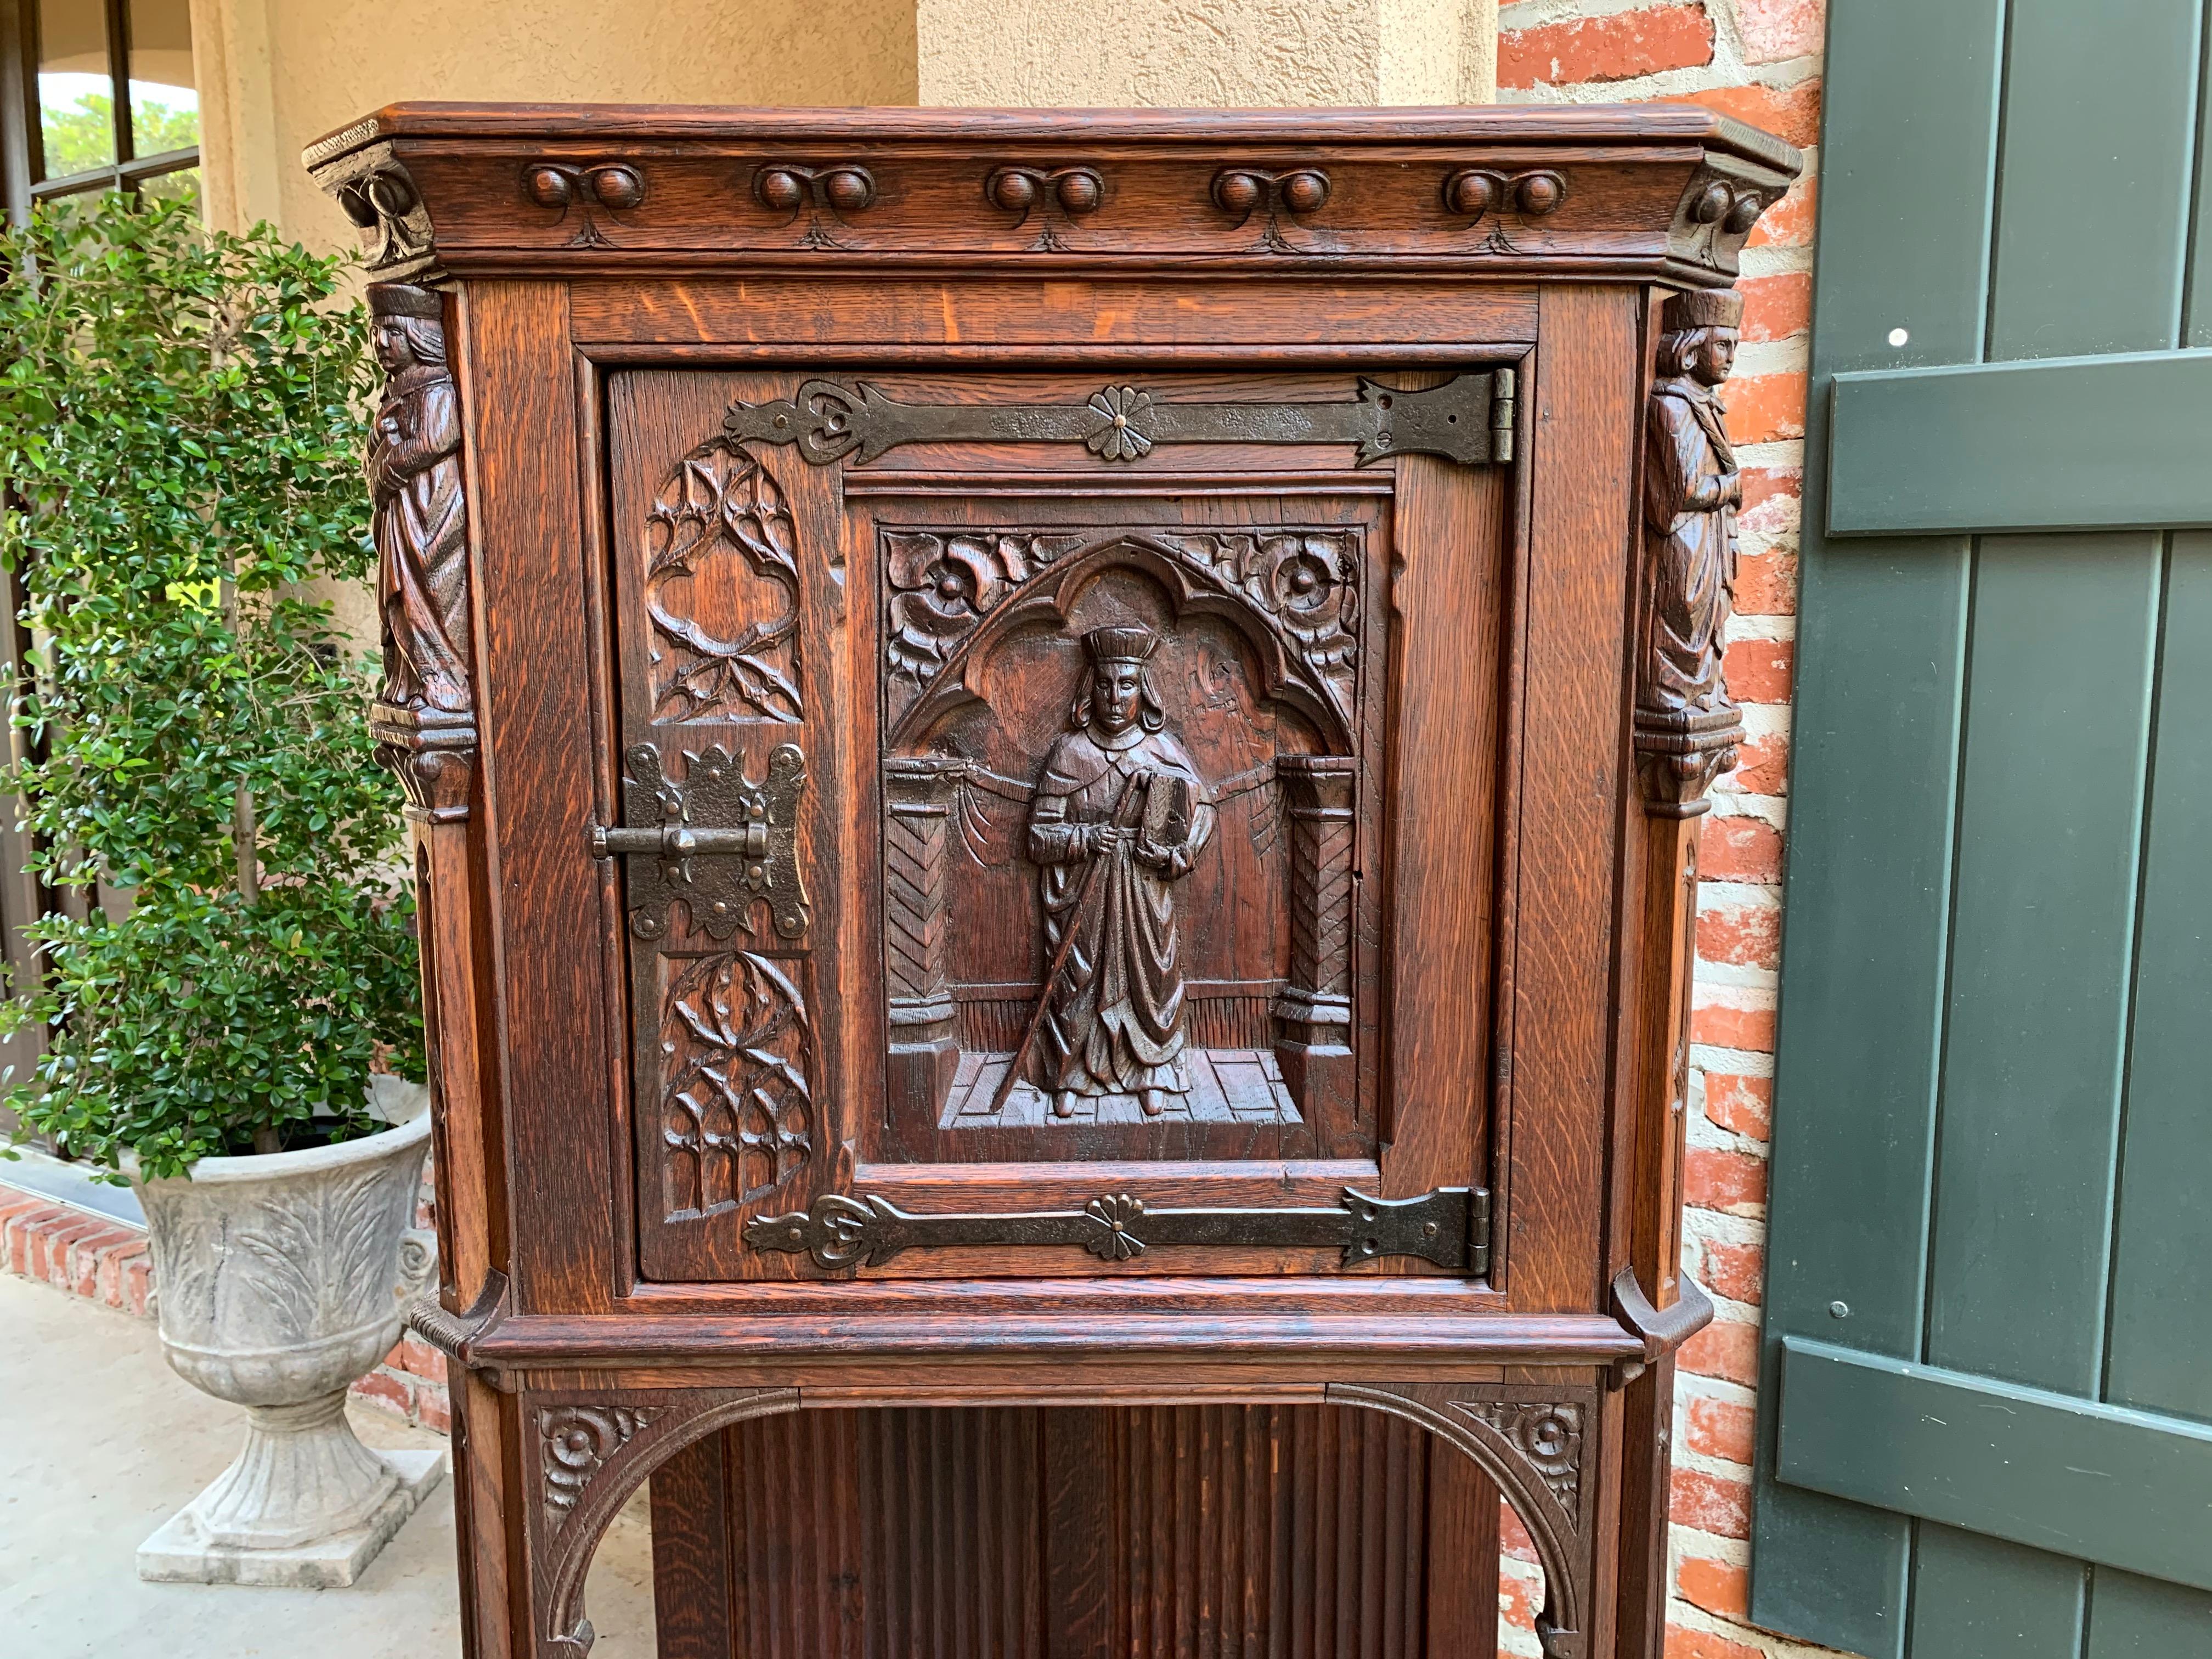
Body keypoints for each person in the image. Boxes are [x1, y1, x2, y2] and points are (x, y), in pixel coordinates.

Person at [1025, 625, 1216, 1117]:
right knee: (1079, 983)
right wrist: (1084, 838)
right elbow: (1037, 836)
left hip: (1144, 894)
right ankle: (1071, 1073)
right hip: (1085, 895)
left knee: (1149, 983)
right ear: (1091, 687)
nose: (1115, 697)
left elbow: (1204, 809)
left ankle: (1150, 1071)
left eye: (1127, 684)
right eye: (1106, 684)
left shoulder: (1162, 749)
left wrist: (1183, 852)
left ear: (1143, 690)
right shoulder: (1071, 753)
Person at [366, 284, 469, 715]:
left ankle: (444, 683)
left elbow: (437, 439)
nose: (381, 344)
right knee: (399, 599)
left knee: (429, 592)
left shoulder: (436, 390)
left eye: (392, 332)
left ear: (417, 336)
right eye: (376, 333)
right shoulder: (398, 393)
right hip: (402, 513)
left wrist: (387, 466)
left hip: (431, 514)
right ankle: (410, 680)